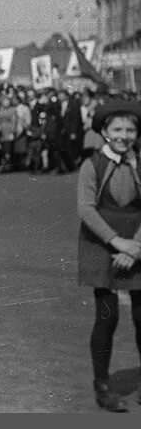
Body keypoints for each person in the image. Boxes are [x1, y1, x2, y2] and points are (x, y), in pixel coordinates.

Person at [75, 99, 141, 412]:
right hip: (101, 245)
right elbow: (86, 209)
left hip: (137, 244)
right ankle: (102, 385)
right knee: (107, 316)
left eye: (130, 129)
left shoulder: (138, 162)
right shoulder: (93, 165)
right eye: (117, 128)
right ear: (104, 131)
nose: (125, 135)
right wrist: (117, 242)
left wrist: (135, 246)